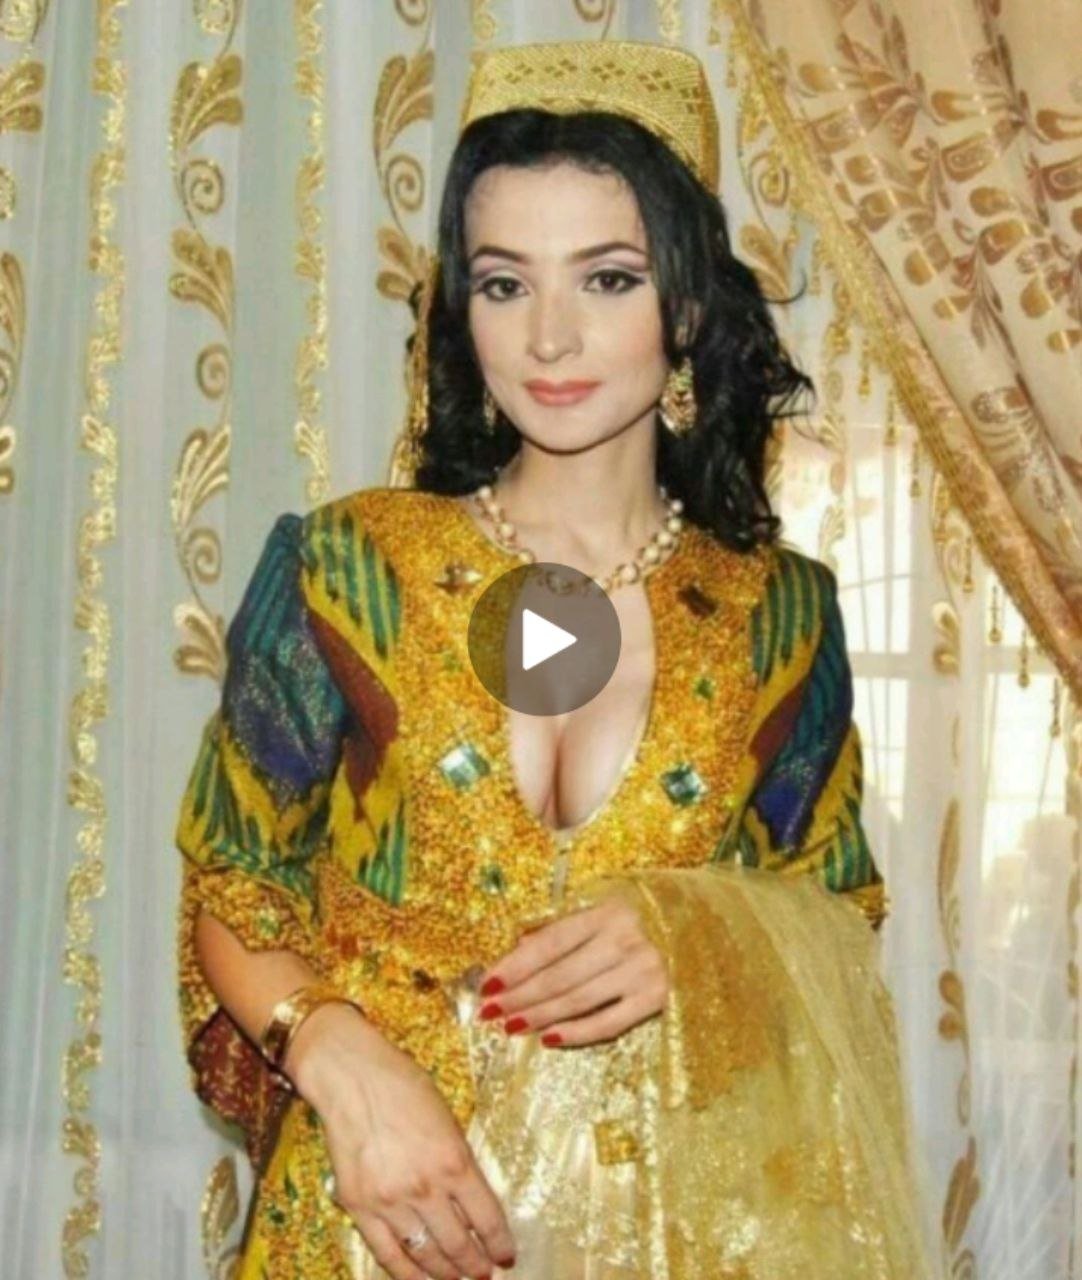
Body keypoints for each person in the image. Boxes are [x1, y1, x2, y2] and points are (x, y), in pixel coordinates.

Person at [174, 39, 946, 1280]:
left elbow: (839, 918)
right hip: (375, 1220)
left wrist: (695, 930)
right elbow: (234, 879)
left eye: (606, 277)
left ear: (683, 307)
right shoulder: (346, 567)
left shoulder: (777, 612)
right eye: (502, 283)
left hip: (665, 1233)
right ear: (459, 308)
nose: (548, 335)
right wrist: (341, 1059)